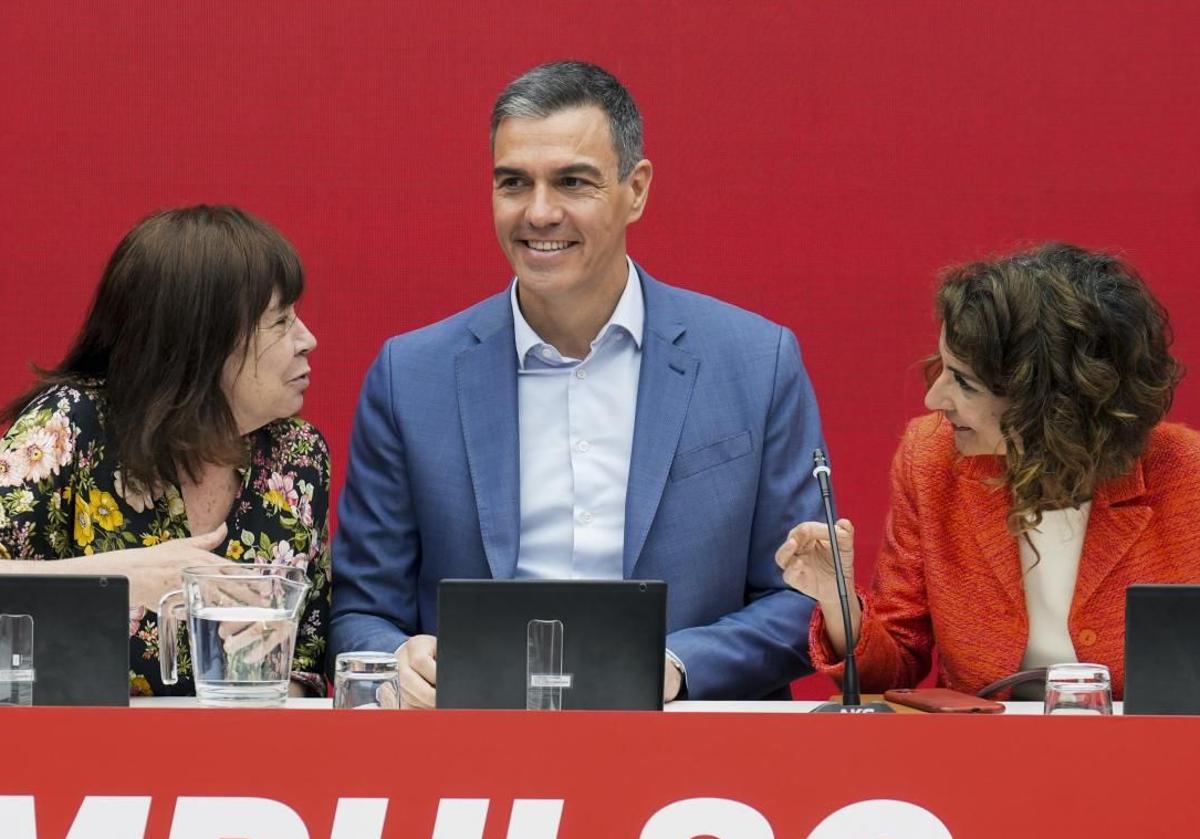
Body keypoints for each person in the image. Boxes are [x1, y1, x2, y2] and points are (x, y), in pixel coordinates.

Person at [330, 60, 826, 706]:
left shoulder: (757, 363)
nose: (539, 212)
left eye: (572, 182)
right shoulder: (410, 377)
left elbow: (803, 601)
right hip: (472, 763)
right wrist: (398, 661)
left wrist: (673, 664)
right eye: (514, 183)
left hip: (692, 766)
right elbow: (359, 612)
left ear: (637, 189)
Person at [777, 242, 1198, 699]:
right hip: (979, 761)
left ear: (1053, 400)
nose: (934, 399)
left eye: (963, 381)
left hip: (1145, 762)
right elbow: (891, 673)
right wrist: (837, 601)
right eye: (943, 368)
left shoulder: (1186, 475)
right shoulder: (931, 458)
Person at [0, 205, 331, 697]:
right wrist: (117, 579)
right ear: (201, 343)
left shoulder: (298, 456)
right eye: (280, 321)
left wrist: (274, 682)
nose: (309, 340)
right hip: (79, 758)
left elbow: (309, 656)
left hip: (240, 761)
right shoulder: (70, 426)